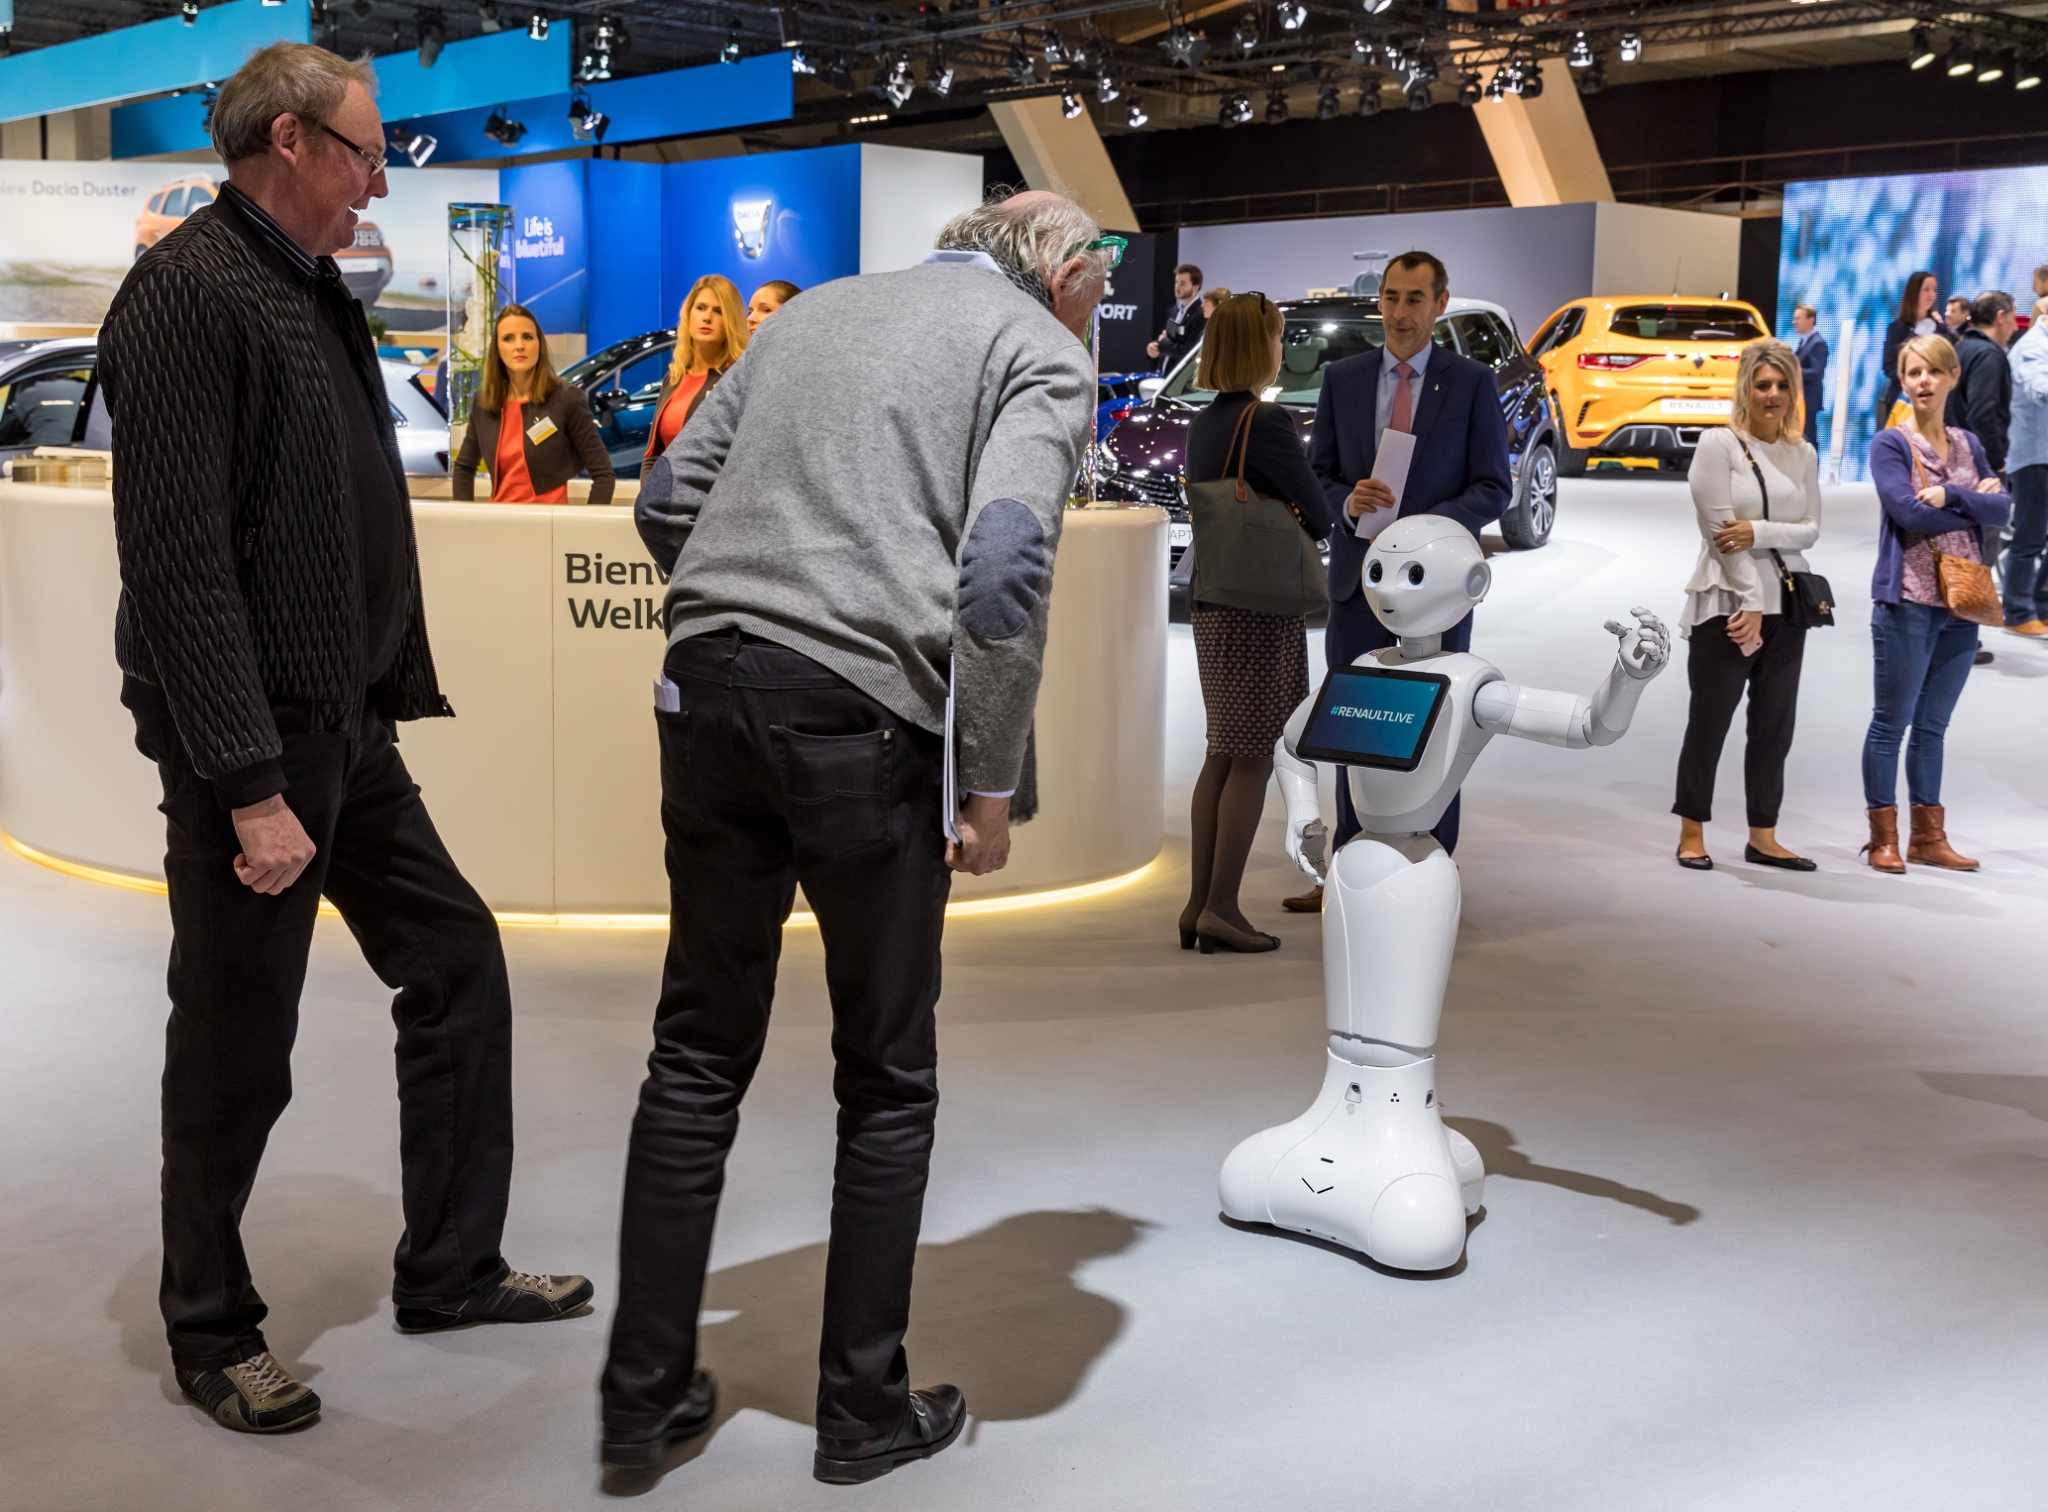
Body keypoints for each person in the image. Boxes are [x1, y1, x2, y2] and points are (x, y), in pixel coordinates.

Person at [97, 41, 590, 1437]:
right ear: (292, 141)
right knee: (238, 1037)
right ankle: (210, 1330)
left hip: (344, 726)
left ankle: (452, 1268)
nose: (380, 183)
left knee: (456, 959)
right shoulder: (187, 293)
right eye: (367, 154)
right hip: (255, 745)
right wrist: (250, 787)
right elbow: (179, 566)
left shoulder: (308, 285)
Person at [600, 191, 1105, 1484]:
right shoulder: (1036, 353)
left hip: (705, 690)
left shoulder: (812, 314)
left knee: (695, 1052)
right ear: (1059, 278)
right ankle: (861, 1410)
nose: (1096, 314)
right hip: (861, 723)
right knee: (885, 1076)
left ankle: (641, 1398)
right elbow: (1002, 568)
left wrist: (746, 609)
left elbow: (664, 497)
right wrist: (987, 779)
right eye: (1098, 291)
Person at [1308, 248, 1512, 864]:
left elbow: (1493, 486)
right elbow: (1318, 476)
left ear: (1440, 304)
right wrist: (1347, 503)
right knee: (1353, 729)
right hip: (1358, 587)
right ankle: (1349, 860)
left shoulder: (1471, 382)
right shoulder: (1342, 379)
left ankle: (1430, 866)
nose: (1400, 312)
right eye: (1391, 297)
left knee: (1435, 730)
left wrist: (1430, 532)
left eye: (1414, 299)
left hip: (1436, 594)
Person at [1177, 293, 1340, 954]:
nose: (1282, 348)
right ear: (1260, 346)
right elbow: (1319, 515)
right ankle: (1221, 908)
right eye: (1278, 337)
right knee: (1251, 757)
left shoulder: (1204, 423)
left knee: (1222, 752)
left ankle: (1198, 906)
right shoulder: (1265, 421)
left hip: (1214, 600)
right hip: (1259, 608)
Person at [1861, 335, 2011, 873]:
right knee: (1891, 723)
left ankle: (1928, 838)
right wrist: (1976, 505)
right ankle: (1883, 838)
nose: (1922, 381)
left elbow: (2002, 510)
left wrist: (1954, 497)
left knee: (1933, 727)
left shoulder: (1969, 443)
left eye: (1932, 371)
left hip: (1963, 602)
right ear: (1903, 381)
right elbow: (1908, 514)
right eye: (1913, 372)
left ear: (1952, 377)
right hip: (1907, 599)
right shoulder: (1890, 444)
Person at [1672, 341, 1822, 872]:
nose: (1773, 394)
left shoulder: (1803, 453)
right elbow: (1719, 532)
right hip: (1726, 605)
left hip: (1789, 605)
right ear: (1746, 389)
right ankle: (1692, 832)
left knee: (1774, 728)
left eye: (1782, 385)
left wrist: (1757, 530)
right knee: (1709, 723)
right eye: (1763, 385)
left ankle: (1764, 835)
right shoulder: (1720, 445)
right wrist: (1751, 601)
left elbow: (1811, 530)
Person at [452, 301, 614, 503]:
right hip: (498, 519)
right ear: (498, 349)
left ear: (539, 345)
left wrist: (585, 522)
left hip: (550, 521)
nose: (519, 345)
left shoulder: (567, 398)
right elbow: (463, 469)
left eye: (527, 337)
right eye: (508, 338)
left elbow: (604, 476)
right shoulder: (483, 402)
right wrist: (465, 518)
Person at [640, 273, 747, 480]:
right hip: (665, 496)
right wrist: (648, 496)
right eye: (701, 308)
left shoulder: (738, 378)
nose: (707, 317)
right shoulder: (674, 378)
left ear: (731, 320)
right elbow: (653, 456)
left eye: (718, 311)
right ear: (689, 314)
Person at [2001, 295, 2048, 637]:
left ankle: (2042, 605)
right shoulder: (2032, 347)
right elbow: (2039, 388)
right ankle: (2017, 612)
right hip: (2033, 457)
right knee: (2029, 538)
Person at [1947, 290, 2016, 474]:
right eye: (2013, 318)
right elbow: (1981, 415)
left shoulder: (1960, 347)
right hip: (1977, 465)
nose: (2015, 327)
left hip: (1954, 456)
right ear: (2000, 316)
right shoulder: (1987, 355)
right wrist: (1996, 461)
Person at [1878, 271, 1941, 425]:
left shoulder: (1941, 331)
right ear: (1914, 293)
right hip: (1903, 400)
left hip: (1936, 404)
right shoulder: (1898, 329)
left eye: (1934, 290)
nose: (1931, 294)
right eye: (1926, 289)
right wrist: (1913, 380)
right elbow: (1889, 365)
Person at [1147, 262, 1205, 371]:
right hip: (1165, 374)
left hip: (1181, 378)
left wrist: (1163, 343)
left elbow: (1189, 353)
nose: (1177, 287)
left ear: (1195, 288)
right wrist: (1156, 347)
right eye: (1176, 282)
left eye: (1182, 283)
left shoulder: (1200, 315)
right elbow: (1172, 338)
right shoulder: (1175, 309)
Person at [1792, 303, 1828, 448]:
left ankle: (1812, 461)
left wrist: (1793, 373)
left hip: (1809, 399)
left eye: (1798, 318)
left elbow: (1816, 372)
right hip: (1801, 397)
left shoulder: (1817, 344)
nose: (1794, 322)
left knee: (1808, 436)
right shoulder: (1804, 342)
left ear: (1810, 320)